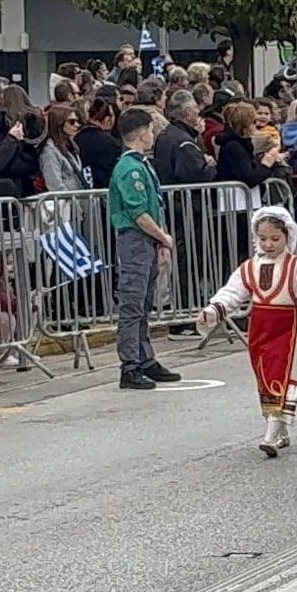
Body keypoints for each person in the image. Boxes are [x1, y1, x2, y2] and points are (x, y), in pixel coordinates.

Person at [197, 206, 297, 457]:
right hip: (260, 330)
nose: (268, 244)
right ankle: (280, 431)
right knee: (266, 378)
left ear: (288, 237)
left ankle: (270, 435)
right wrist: (213, 310)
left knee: (283, 376)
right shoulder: (250, 267)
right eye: (263, 238)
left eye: (275, 238)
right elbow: (232, 293)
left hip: (287, 328)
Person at [107, 108, 181, 391]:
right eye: (150, 130)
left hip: (145, 241)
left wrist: (159, 241)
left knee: (144, 303)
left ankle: (144, 357)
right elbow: (138, 213)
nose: (153, 135)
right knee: (133, 303)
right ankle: (130, 364)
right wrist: (163, 236)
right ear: (141, 133)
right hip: (135, 240)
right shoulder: (130, 169)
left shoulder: (141, 165)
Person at [39, 104, 90, 193]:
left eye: (78, 121)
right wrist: (71, 199)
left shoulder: (72, 146)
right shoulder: (49, 151)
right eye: (71, 121)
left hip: (79, 198)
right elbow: (55, 185)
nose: (77, 125)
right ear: (59, 123)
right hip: (66, 199)